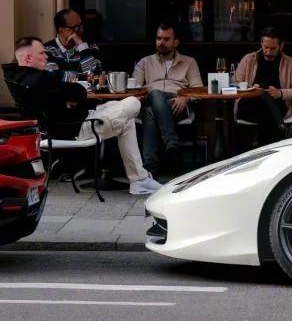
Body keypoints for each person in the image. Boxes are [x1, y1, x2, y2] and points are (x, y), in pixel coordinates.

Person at [4, 37, 159, 195]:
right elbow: (78, 92)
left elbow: (69, 93)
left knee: (123, 117)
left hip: (73, 122)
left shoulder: (15, 76)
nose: (46, 57)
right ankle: (140, 180)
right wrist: (71, 96)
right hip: (78, 128)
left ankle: (139, 180)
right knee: (133, 102)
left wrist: (69, 98)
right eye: (42, 53)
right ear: (28, 57)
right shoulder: (40, 79)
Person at [132, 23, 203, 175]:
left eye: (166, 39)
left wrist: (185, 97)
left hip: (176, 105)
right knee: (154, 96)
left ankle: (150, 171)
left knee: (150, 111)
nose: (161, 42)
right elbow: (134, 89)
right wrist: (144, 96)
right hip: (151, 100)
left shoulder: (189, 62)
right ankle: (171, 142)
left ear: (175, 42)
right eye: (159, 38)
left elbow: (198, 89)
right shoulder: (145, 62)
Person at [234, 26, 292, 146]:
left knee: (266, 107)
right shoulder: (248, 59)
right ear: (261, 43)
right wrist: (250, 89)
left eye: (272, 48)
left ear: (281, 46)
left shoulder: (289, 63)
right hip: (249, 103)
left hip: (277, 104)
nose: (268, 52)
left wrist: (280, 93)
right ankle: (281, 133)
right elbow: (234, 85)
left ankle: (261, 145)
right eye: (265, 47)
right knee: (264, 107)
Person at [44, 8, 104, 87]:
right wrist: (84, 78)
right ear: (62, 30)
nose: (81, 30)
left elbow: (96, 77)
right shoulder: (47, 49)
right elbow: (52, 76)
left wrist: (81, 46)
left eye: (81, 25)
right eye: (76, 27)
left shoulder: (90, 47)